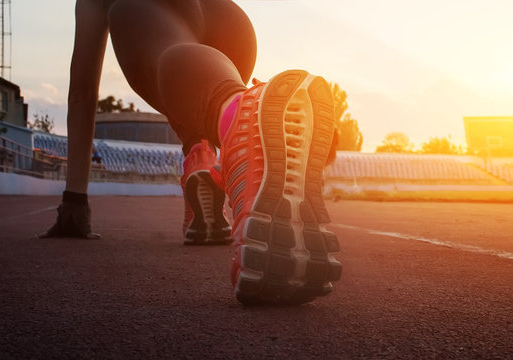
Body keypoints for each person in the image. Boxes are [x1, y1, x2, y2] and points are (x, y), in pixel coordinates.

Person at [38, 0, 341, 305]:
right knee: (199, 110)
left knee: (210, 95)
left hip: (147, 12)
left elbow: (82, 93)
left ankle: (241, 115)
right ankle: (203, 158)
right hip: (229, 19)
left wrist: (74, 203)